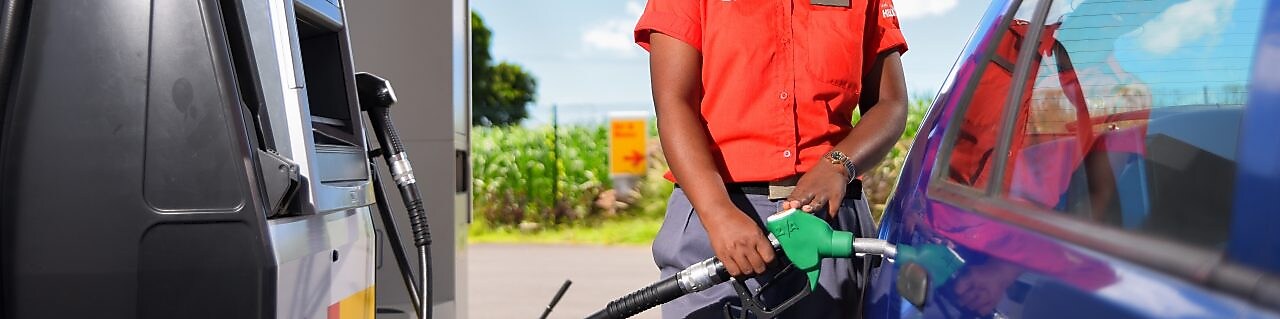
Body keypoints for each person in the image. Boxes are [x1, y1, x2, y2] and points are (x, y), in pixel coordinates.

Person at [634, 0, 909, 317]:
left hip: (826, 224)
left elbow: (890, 104)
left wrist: (838, 164)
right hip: (716, 218)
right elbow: (674, 105)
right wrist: (718, 213)